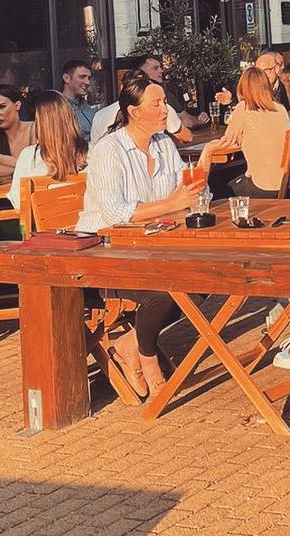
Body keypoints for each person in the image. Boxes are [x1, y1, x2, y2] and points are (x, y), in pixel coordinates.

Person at [80, 69, 200, 392]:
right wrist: (171, 203)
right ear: (134, 112)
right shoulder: (109, 151)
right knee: (162, 292)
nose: (166, 110)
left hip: (149, 245)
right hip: (101, 251)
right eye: (158, 104)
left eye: (164, 102)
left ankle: (132, 342)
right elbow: (116, 214)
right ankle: (148, 355)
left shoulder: (163, 144)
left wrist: (191, 194)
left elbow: (186, 195)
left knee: (206, 277)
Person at [198, 68, 290, 198]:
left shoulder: (243, 108)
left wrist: (208, 147)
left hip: (264, 186)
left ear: (242, 88)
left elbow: (228, 141)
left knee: (216, 185)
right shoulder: (280, 109)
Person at [8, 91, 87, 215]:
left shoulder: (29, 157)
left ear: (40, 124)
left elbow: (18, 203)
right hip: (85, 230)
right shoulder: (92, 152)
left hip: (44, 232)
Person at [90, 55, 189, 145]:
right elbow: (186, 137)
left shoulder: (100, 115)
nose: (161, 71)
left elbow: (93, 152)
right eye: (155, 68)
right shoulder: (162, 108)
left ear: (122, 87)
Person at [58, 59, 98, 141]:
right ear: (66, 78)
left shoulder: (86, 106)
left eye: (89, 78)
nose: (87, 82)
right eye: (82, 77)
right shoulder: (56, 108)